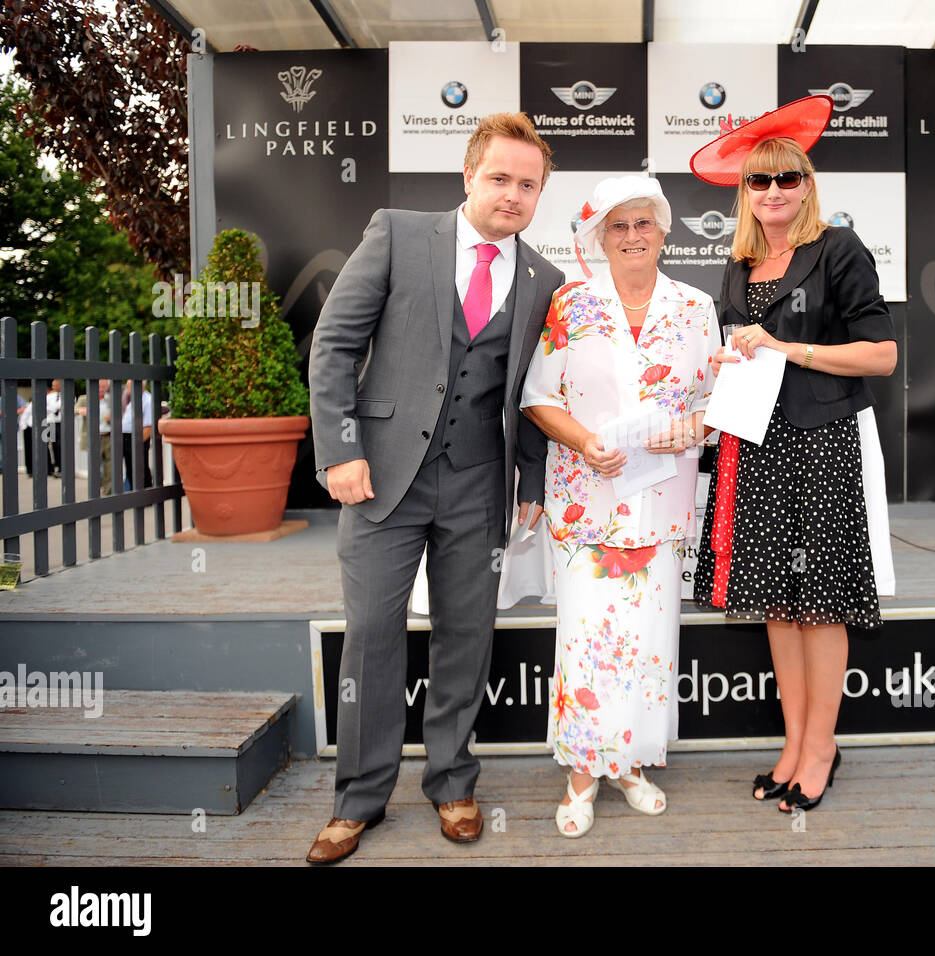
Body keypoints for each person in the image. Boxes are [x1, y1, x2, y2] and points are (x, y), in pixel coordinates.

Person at [306, 113, 563, 863]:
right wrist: (340, 451)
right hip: (381, 479)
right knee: (372, 638)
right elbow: (334, 343)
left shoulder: (545, 277)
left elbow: (536, 389)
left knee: (465, 638)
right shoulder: (397, 232)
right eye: (500, 178)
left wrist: (534, 477)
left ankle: (452, 781)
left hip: (480, 484)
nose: (512, 195)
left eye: (528, 184)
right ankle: (358, 800)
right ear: (468, 175)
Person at [688, 97, 898, 814]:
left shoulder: (838, 250)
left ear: (806, 185)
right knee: (780, 603)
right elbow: (737, 353)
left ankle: (821, 748)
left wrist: (788, 347)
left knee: (823, 604)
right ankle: (793, 742)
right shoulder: (739, 262)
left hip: (822, 440)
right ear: (744, 193)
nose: (773, 191)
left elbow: (882, 355)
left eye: (786, 178)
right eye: (759, 181)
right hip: (758, 445)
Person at [520, 176, 720, 837]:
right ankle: (582, 774)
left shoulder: (695, 307)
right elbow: (538, 397)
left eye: (644, 223)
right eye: (618, 226)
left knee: (648, 643)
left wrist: (697, 426)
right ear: (599, 238)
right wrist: (584, 441)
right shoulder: (570, 305)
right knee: (587, 640)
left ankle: (631, 762)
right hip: (587, 501)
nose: (632, 236)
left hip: (660, 505)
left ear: (664, 231)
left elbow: (715, 407)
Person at [74, 380, 114, 496]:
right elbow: (73, 409)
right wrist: (81, 410)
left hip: (108, 436)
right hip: (93, 438)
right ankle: (95, 492)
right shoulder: (85, 399)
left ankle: (107, 492)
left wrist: (113, 417)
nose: (101, 388)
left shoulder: (112, 399)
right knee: (95, 467)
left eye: (104, 386)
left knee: (109, 467)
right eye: (99, 386)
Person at [121, 380, 153, 490]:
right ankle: (134, 491)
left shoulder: (147, 400)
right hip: (127, 437)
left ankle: (146, 492)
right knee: (130, 467)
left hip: (138, 437)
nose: (128, 390)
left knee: (141, 467)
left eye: (130, 387)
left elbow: (149, 425)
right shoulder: (134, 400)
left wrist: (138, 443)